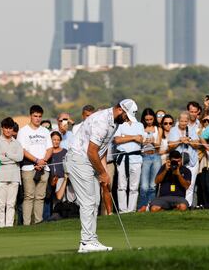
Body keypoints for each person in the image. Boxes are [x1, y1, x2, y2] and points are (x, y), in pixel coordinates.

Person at [65, 98, 137, 253]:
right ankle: (86, 242)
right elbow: (92, 150)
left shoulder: (115, 122)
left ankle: (91, 239)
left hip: (88, 160)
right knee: (88, 201)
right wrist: (103, 173)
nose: (127, 120)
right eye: (126, 116)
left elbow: (101, 149)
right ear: (120, 109)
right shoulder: (102, 121)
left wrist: (103, 173)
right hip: (78, 159)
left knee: (95, 200)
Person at [17, 105, 53, 225]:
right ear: (30, 116)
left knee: (40, 197)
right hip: (28, 168)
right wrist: (37, 161)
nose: (37, 118)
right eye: (35, 116)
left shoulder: (45, 131)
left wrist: (43, 161)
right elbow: (22, 150)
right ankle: (27, 224)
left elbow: (49, 148)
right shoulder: (23, 131)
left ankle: (38, 222)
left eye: (39, 116)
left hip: (43, 168)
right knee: (29, 196)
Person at [0, 117, 23, 228]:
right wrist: (12, 158)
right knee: (1, 205)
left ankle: (9, 227)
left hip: (14, 177)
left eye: (10, 128)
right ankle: (1, 227)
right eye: (6, 128)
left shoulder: (17, 143)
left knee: (11, 204)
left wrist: (7, 154)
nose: (8, 130)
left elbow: (20, 158)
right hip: (1, 177)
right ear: (2, 128)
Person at [113, 117, 144, 213]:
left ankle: (131, 210)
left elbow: (140, 139)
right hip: (122, 158)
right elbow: (117, 140)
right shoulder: (120, 125)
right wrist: (133, 137)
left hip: (136, 159)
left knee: (134, 187)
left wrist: (124, 136)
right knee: (121, 186)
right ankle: (122, 210)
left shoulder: (139, 125)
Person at [168, 111, 199, 207]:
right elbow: (170, 146)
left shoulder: (191, 130)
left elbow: (197, 144)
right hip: (178, 162)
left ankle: (188, 205)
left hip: (191, 161)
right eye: (182, 121)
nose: (183, 123)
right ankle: (177, 204)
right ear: (178, 120)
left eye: (186, 121)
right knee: (177, 183)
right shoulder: (173, 130)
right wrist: (179, 141)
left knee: (190, 185)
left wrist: (188, 140)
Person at [138, 108, 163, 212]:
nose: (149, 121)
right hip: (144, 156)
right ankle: (141, 206)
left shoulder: (158, 129)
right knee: (144, 186)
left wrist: (153, 142)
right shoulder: (140, 128)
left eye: (151, 119)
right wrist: (143, 142)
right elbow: (138, 144)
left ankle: (150, 207)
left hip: (156, 156)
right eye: (147, 119)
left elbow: (159, 145)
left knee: (153, 185)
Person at [44, 131, 68, 220]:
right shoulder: (47, 152)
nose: (56, 141)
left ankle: (60, 216)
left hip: (61, 179)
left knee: (60, 200)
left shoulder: (65, 151)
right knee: (49, 199)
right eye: (54, 139)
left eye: (58, 140)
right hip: (49, 179)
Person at [196, 109, 209, 207]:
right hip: (203, 159)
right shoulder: (199, 131)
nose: (207, 123)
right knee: (202, 184)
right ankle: (202, 203)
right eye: (205, 121)